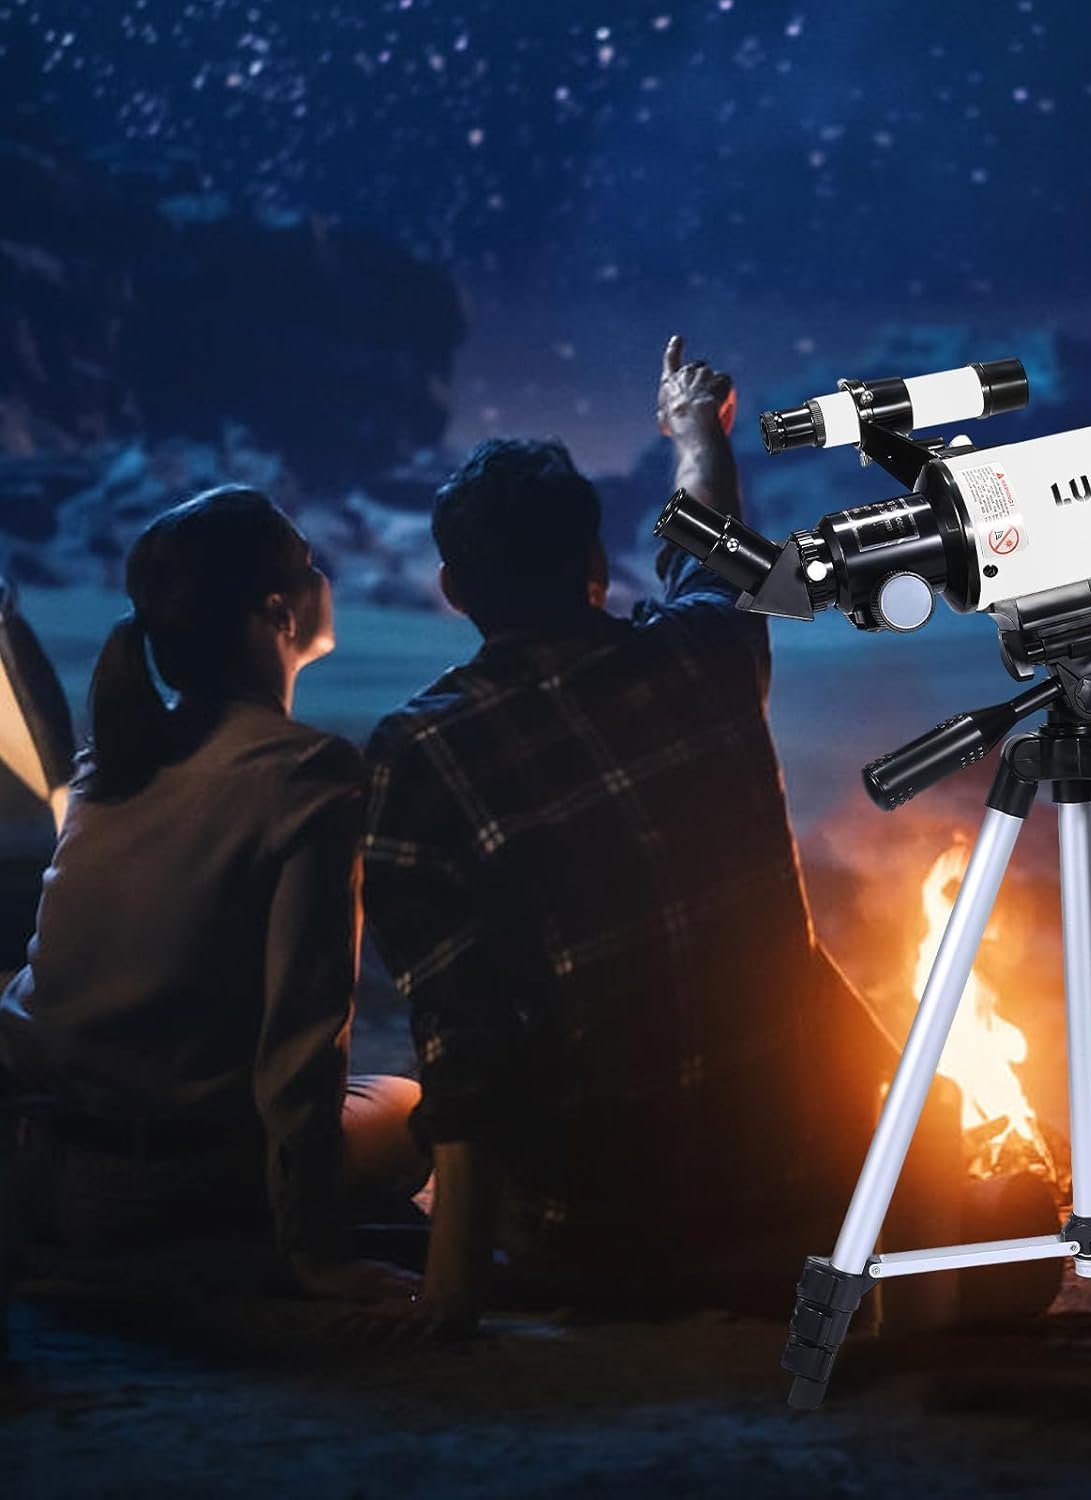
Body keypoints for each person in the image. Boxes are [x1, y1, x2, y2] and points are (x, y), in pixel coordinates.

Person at [362, 337, 982, 1334]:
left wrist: (449, 1297)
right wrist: (695, 430)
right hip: (793, 1204)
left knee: (382, 1120)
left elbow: (464, 1046)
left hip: (589, 1238)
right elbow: (712, 547)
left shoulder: (417, 752)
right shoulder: (704, 659)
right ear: (594, 567)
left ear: (455, 591)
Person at [0, 487, 426, 1302]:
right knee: (411, 1106)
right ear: (279, 611)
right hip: (169, 1180)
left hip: (44, 1162)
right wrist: (313, 1251)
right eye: (310, 565)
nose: (325, 577)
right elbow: (304, 1040)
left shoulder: (111, 763)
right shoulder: (310, 778)